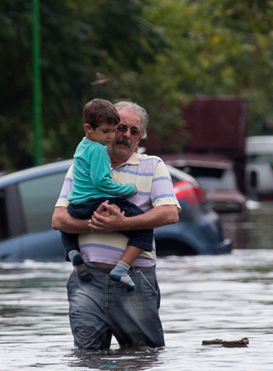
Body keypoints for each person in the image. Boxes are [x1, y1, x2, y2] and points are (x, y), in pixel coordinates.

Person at [51, 100, 180, 350]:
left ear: (140, 139)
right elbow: (58, 219)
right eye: (120, 128)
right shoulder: (81, 165)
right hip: (87, 279)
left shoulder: (153, 165)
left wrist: (123, 223)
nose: (125, 135)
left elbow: (169, 214)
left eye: (134, 131)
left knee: (144, 358)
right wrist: (95, 224)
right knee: (87, 361)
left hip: (136, 279)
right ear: (105, 129)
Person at [62, 99, 153, 292]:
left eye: (134, 132)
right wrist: (128, 189)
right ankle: (122, 268)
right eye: (110, 131)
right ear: (89, 128)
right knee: (145, 227)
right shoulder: (99, 151)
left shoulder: (82, 146)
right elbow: (102, 181)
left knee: (67, 228)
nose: (112, 136)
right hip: (97, 202)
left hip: (77, 204)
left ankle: (73, 253)